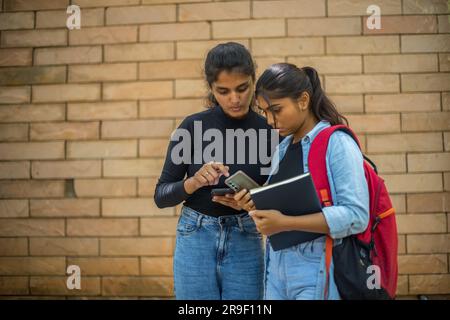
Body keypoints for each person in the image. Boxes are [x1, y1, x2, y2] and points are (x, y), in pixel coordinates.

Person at [232, 63, 370, 300]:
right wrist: (254, 206)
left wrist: (285, 222)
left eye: (276, 109)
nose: (270, 121)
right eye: (265, 111)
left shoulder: (337, 143)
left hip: (316, 269)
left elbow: (357, 216)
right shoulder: (282, 149)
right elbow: (282, 208)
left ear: (303, 100)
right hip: (275, 270)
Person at [154, 42, 277, 300]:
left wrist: (252, 201)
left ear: (253, 81)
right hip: (195, 236)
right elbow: (161, 195)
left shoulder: (270, 130)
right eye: (223, 91)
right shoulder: (192, 127)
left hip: (246, 235)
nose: (235, 98)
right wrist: (194, 182)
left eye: (242, 88)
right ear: (211, 89)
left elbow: (281, 199)